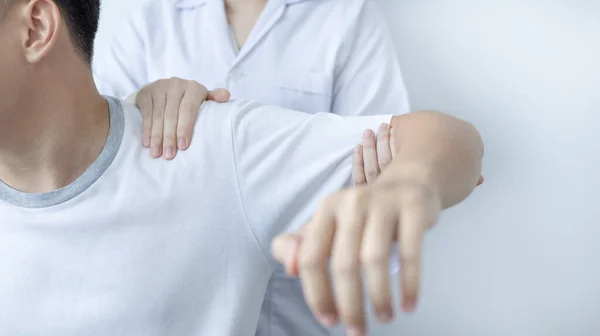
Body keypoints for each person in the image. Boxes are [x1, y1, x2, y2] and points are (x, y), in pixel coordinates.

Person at [0, 0, 483, 335]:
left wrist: (404, 182)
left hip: (305, 307)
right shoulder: (154, 19)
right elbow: (81, 126)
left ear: (36, 27)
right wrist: (146, 101)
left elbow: (411, 144)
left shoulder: (344, 19)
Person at [93, 1, 412, 332]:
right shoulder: (155, 16)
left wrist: (391, 178)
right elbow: (90, 155)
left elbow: (390, 163)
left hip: (300, 318)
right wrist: (139, 103)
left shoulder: (347, 14)